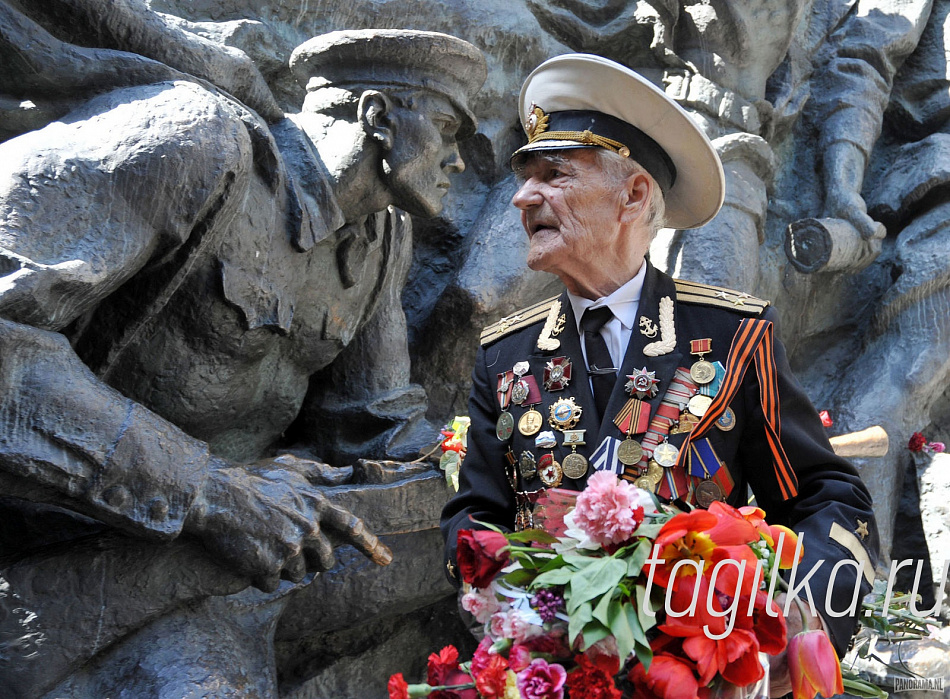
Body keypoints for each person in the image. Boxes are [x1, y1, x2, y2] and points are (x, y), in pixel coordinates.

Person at [0, 28, 485, 697]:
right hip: (47, 544)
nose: (460, 160)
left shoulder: (382, 236)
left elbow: (372, 428)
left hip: (215, 583)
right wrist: (214, 492)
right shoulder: (195, 145)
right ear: (377, 116)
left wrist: (538, 484)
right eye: (446, 127)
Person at [440, 53, 878, 693]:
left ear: (635, 193)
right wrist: (508, 596)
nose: (521, 196)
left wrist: (791, 624)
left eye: (552, 174)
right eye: (524, 177)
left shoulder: (733, 336)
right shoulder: (504, 354)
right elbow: (475, 514)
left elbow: (829, 501)